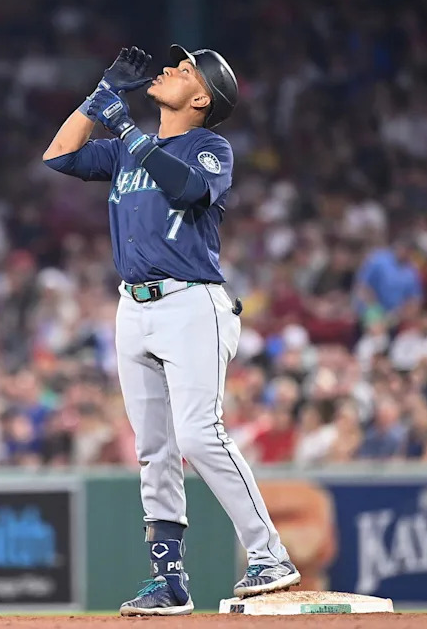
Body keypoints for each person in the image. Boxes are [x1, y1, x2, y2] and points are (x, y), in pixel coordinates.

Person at [44, 45, 298, 616]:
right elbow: (59, 155)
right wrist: (101, 96)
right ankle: (169, 582)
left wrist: (129, 131)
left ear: (201, 97)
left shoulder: (210, 147)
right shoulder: (127, 151)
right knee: (153, 449)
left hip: (191, 303)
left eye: (184, 71)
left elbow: (187, 190)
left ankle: (270, 554)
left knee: (198, 433)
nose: (168, 70)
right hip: (132, 306)